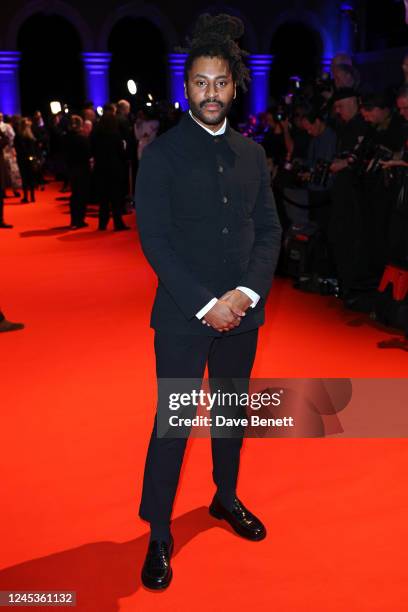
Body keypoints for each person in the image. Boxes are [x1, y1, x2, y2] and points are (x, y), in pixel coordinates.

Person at [135, 13, 282, 590]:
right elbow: (156, 240)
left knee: (228, 415)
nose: (211, 92)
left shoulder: (252, 156)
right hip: (181, 315)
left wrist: (244, 294)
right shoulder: (163, 156)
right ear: (187, 86)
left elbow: (269, 230)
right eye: (201, 82)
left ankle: (224, 497)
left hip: (243, 314)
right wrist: (205, 305)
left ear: (234, 86)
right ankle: (157, 533)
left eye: (220, 82)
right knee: (173, 426)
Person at [91, 104, 130, 231]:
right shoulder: (115, 136)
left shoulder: (96, 135)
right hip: (114, 169)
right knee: (115, 198)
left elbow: (92, 150)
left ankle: (102, 223)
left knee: (103, 198)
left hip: (101, 169)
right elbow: (121, 153)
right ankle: (118, 223)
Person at [63, 115, 91, 229]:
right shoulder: (82, 138)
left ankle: (74, 220)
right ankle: (79, 220)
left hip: (71, 168)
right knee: (82, 195)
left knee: (75, 195)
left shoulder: (66, 138)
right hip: (82, 168)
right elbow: (88, 153)